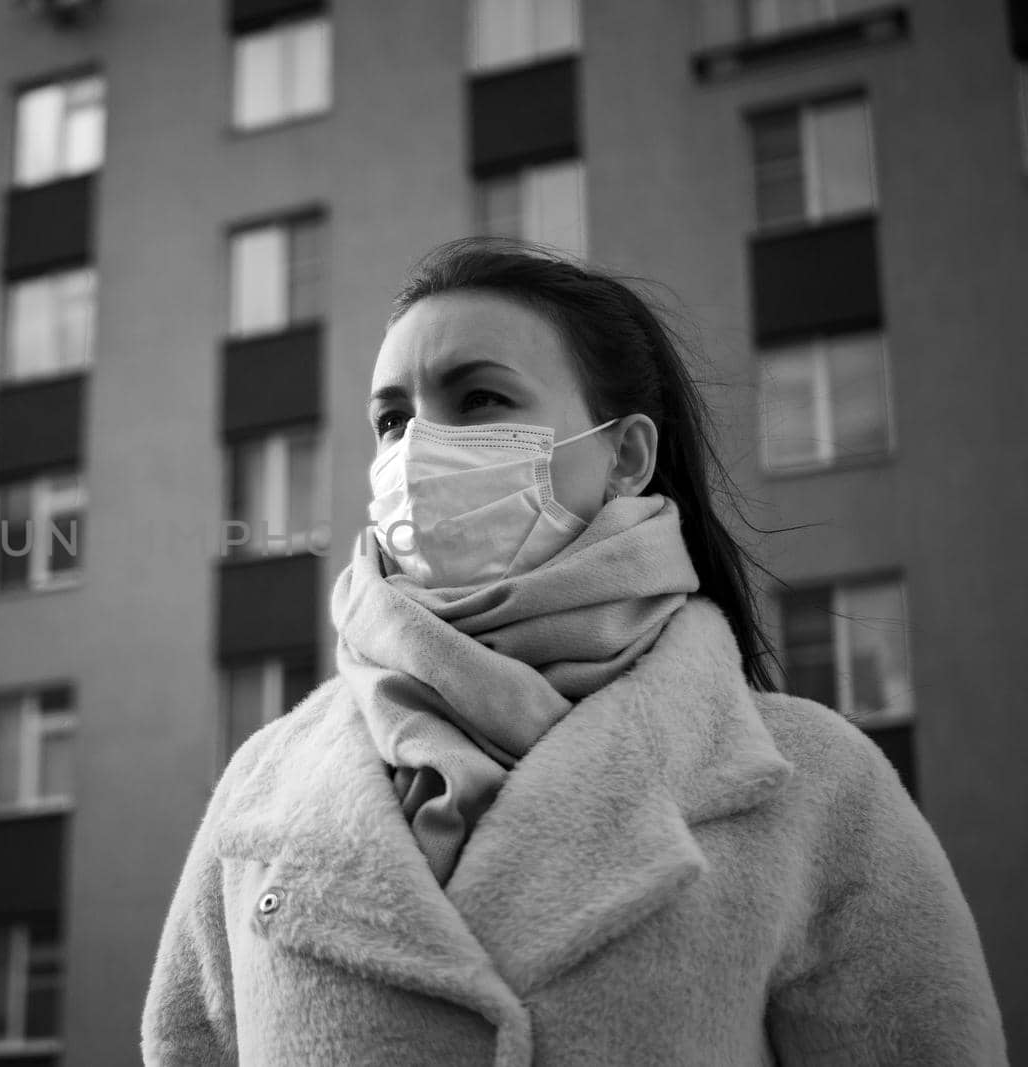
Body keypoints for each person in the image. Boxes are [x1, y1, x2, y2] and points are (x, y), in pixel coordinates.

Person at [140, 238, 1007, 1066]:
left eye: (478, 399)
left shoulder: (818, 786)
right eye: (392, 418)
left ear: (624, 455)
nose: (416, 451)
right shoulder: (262, 790)